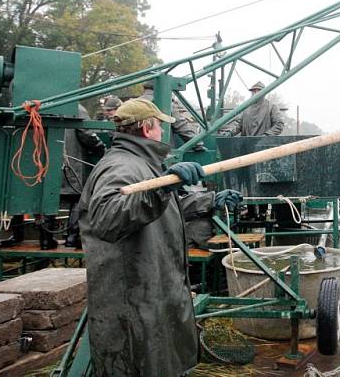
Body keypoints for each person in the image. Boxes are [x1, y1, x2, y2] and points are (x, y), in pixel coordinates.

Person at [78, 98, 242, 376]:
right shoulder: (121, 167)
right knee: (137, 362)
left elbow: (161, 209)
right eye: (159, 127)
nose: (162, 133)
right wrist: (161, 190)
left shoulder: (142, 164)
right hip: (132, 296)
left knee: (162, 358)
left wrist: (210, 201)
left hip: (152, 286)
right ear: (146, 129)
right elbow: (108, 219)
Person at [61, 104, 106, 249]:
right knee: (77, 197)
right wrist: (100, 146)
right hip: (72, 159)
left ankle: (45, 239)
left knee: (46, 197)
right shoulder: (76, 108)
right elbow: (86, 133)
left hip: (47, 161)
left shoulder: (44, 105)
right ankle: (72, 237)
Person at [140, 81, 204, 149]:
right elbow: (180, 125)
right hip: (159, 152)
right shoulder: (166, 103)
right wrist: (197, 144)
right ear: (164, 88)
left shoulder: (134, 103)